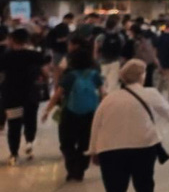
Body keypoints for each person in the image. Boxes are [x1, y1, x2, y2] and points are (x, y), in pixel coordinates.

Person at [88, 59, 169, 192]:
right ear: (141, 76)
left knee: (115, 190)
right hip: (142, 146)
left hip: (110, 149)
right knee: (144, 183)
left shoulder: (110, 98)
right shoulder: (150, 93)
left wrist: (93, 151)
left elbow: (96, 124)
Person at [41, 33, 103, 180]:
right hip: (90, 113)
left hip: (70, 112)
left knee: (67, 144)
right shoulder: (94, 74)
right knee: (85, 143)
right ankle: (80, 169)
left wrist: (47, 110)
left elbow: (57, 95)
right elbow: (103, 93)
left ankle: (72, 169)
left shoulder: (70, 76)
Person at [1, 28, 49, 165]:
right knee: (30, 119)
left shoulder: (5, 57)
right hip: (31, 94)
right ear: (27, 40)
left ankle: (14, 154)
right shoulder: (35, 55)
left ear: (12, 40)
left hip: (11, 95)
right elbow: (45, 73)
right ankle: (29, 142)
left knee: (14, 124)